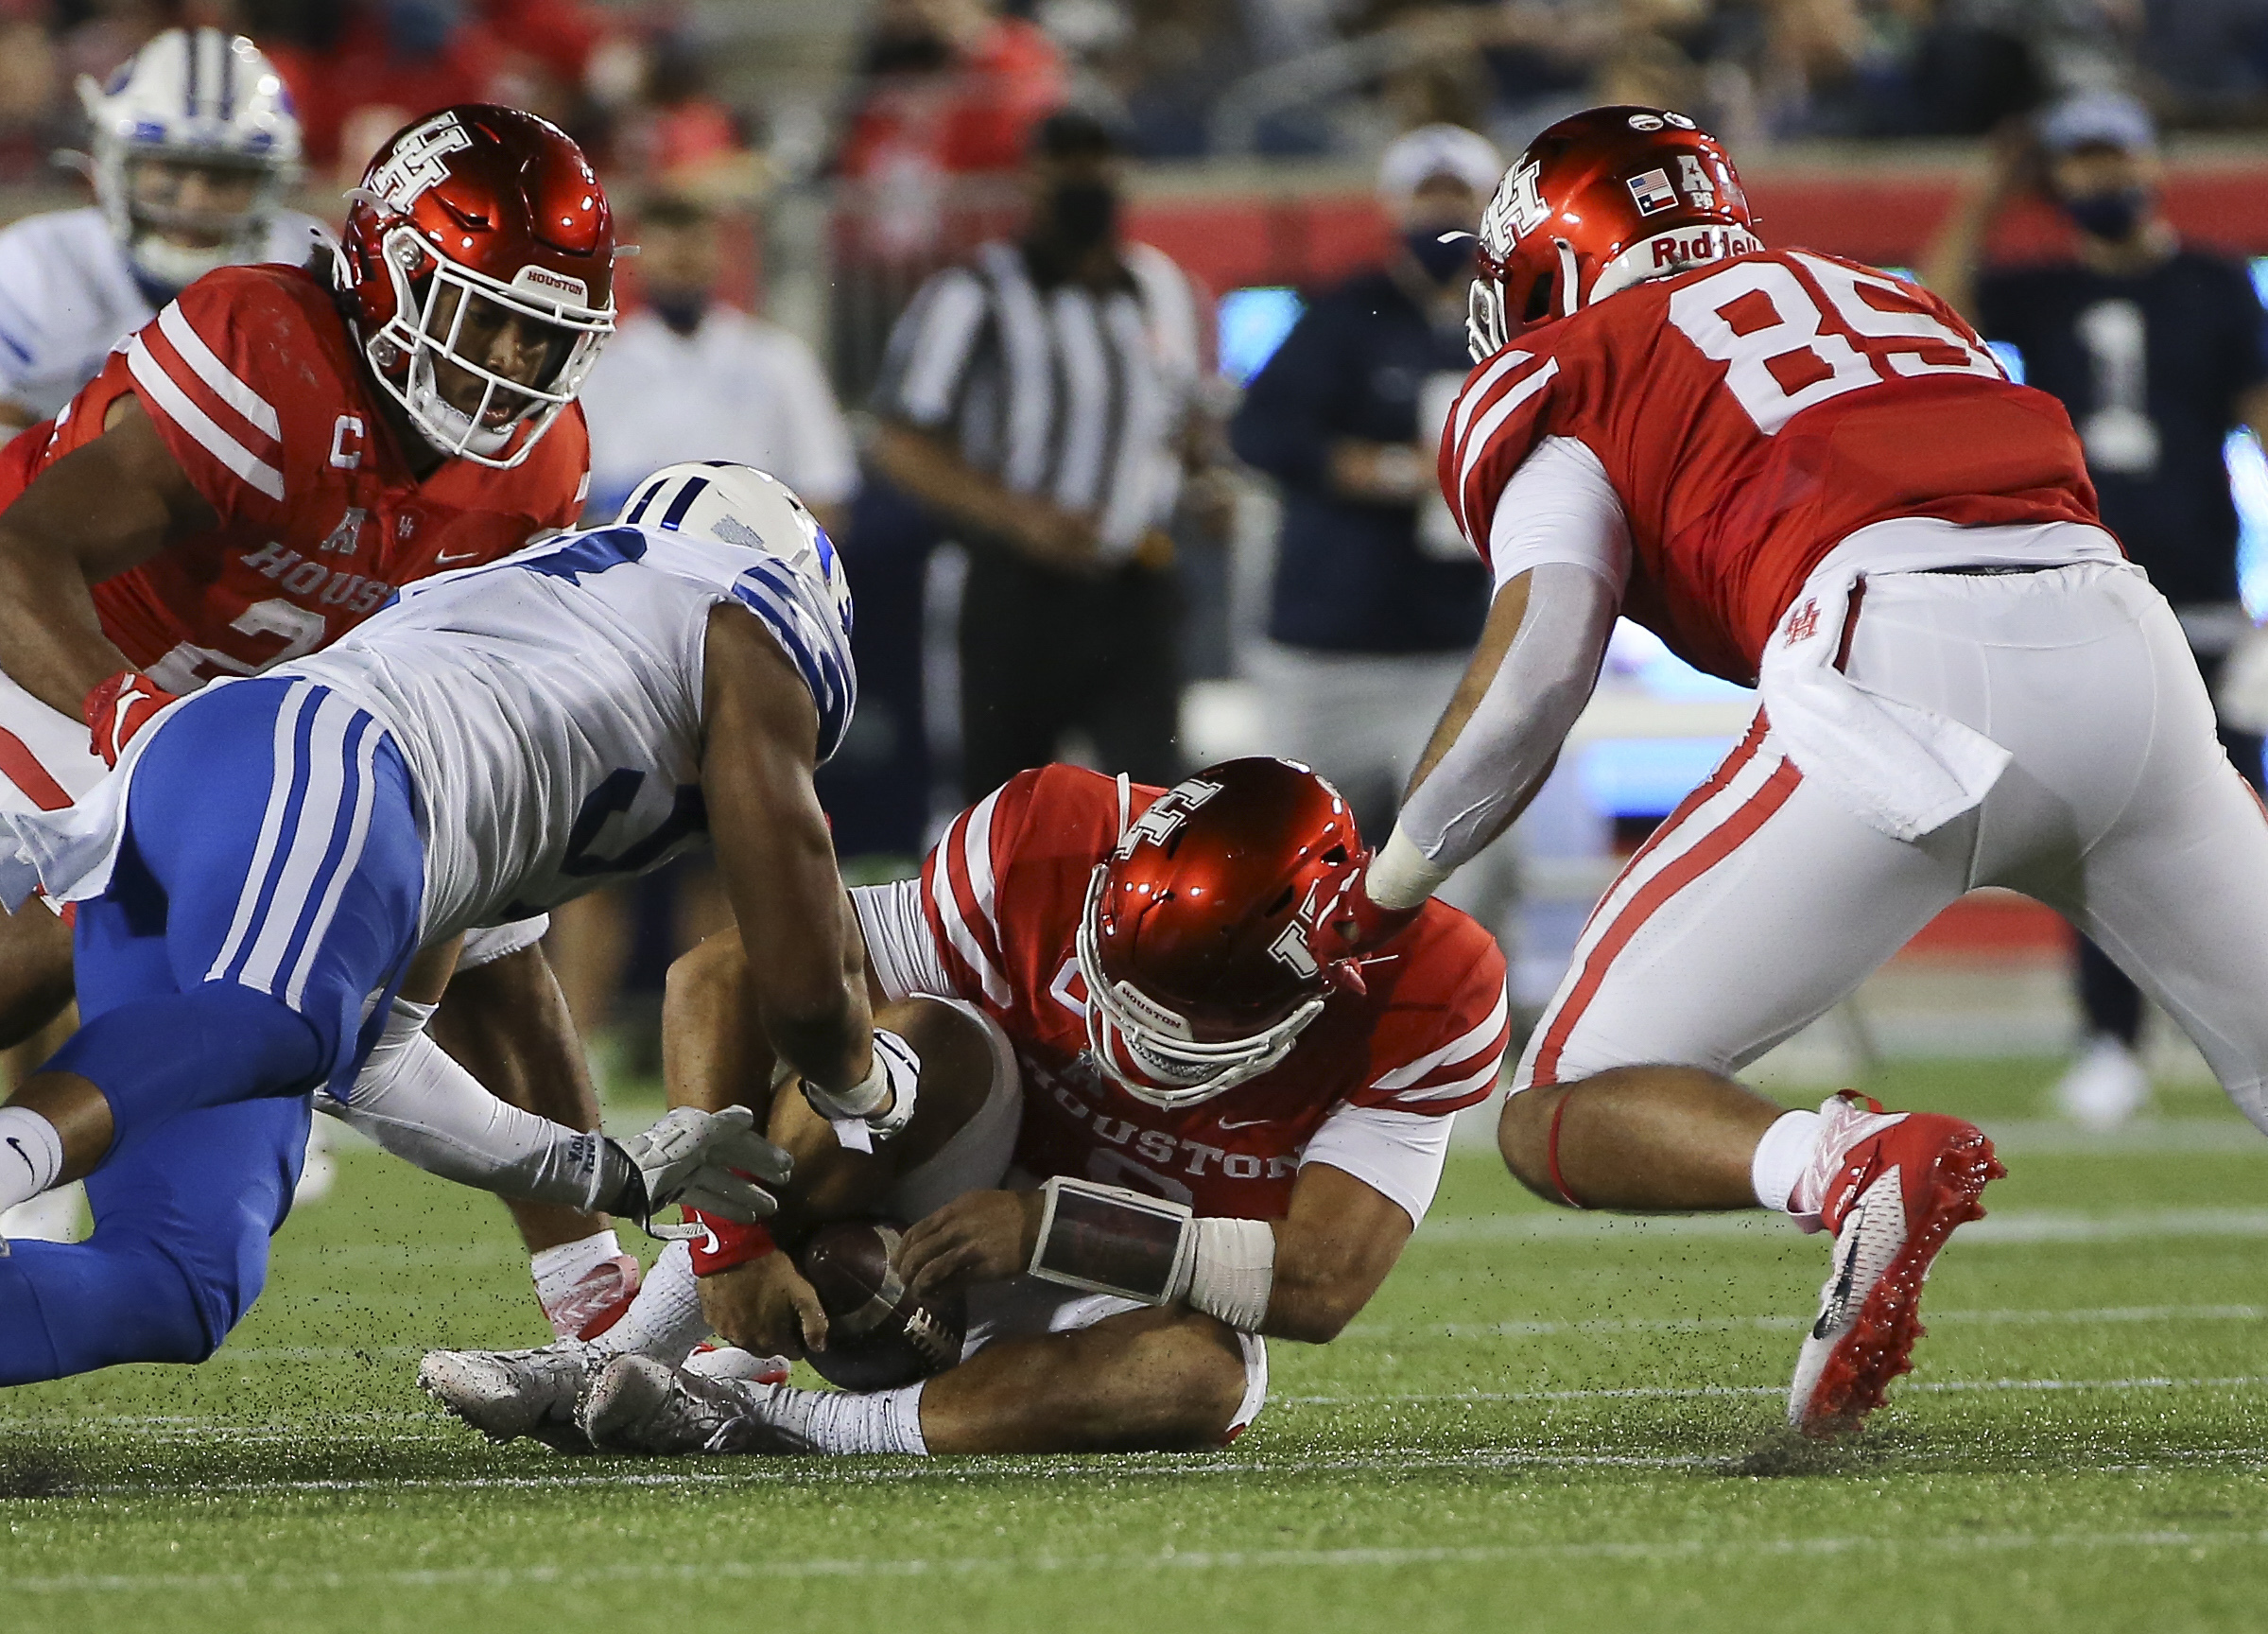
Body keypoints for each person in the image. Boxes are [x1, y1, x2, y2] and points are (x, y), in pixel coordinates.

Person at [1327, 102, 2268, 1438]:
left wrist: (1387, 890)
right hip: (2125, 642)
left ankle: (1840, 1165)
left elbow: (1537, 669)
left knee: (1556, 1104)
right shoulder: (1885, 297)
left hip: (1897, 658)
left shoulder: (1581, 360)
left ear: (1551, 259)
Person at [0, 461, 888, 1385]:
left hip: (262, 784)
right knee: (276, 1018)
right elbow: (803, 989)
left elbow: (375, 1070)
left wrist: (611, 1172)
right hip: (315, 752)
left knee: (178, 1282)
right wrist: (870, 1100)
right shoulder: (741, 618)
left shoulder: (534, 702)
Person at [0, 104, 640, 1342]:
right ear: (389, 275)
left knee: (492, 908)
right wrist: (145, 729)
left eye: (541, 331)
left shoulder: (537, 467)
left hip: (243, 726)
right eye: (483, 313)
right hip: (64, 652)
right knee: (76, 911)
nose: (510, 359)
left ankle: (593, 1300)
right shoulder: (272, 345)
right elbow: (25, 556)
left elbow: (486, 880)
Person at [417, 756, 1511, 1456]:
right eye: (1115, 984)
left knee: (1205, 1376)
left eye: (1175, 1017)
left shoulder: (1430, 991)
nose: (1126, 1034)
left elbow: (1320, 1283)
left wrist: (1049, 1228)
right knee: (926, 1048)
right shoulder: (1044, 842)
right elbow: (725, 972)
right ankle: (618, 1349)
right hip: (931, 1177)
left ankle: (776, 1422)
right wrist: (727, 1242)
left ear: (1316, 978)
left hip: (1094, 1278)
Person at [1922, 91, 2268, 1126]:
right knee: (2092, 830)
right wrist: (1987, 187)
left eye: (2111, 155)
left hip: (2202, 599)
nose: (2095, 180)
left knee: (2228, 829)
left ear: (2151, 161)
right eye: (2072, 164)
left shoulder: (2210, 286)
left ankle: (2231, 1038)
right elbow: (1937, 310)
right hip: (2083, 598)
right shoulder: (2042, 290)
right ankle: (2109, 1040)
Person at [867, 109, 1211, 802]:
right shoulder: (974, 293)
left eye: (1100, 163)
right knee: (1003, 808)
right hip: (1014, 589)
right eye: (1067, 164)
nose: (1086, 180)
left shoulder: (1160, 287)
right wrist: (1019, 518)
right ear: (1031, 179)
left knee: (1155, 807)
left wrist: (1201, 481)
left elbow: (1180, 420)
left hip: (1135, 584)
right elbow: (899, 442)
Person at [1231, 123, 1518, 939]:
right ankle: (1281, 1043)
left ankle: (1439, 1041)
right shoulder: (1342, 313)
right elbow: (1257, 430)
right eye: (1426, 196)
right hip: (1325, 652)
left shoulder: (1512, 322)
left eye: (1455, 197)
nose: (1439, 214)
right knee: (1284, 873)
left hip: (1452, 652)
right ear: (1395, 205)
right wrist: (1350, 463)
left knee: (1466, 877)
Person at [0, 28, 328, 438]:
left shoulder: (311, 266)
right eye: (169, 169)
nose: (194, 201)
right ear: (114, 164)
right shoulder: (31, 266)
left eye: (224, 175)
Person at [580, 195, 857, 533]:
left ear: (722, 254)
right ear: (638, 259)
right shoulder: (596, 366)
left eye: (695, 246)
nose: (680, 261)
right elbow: (573, 506)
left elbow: (826, 491)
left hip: (754, 557)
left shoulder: (778, 358)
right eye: (666, 250)